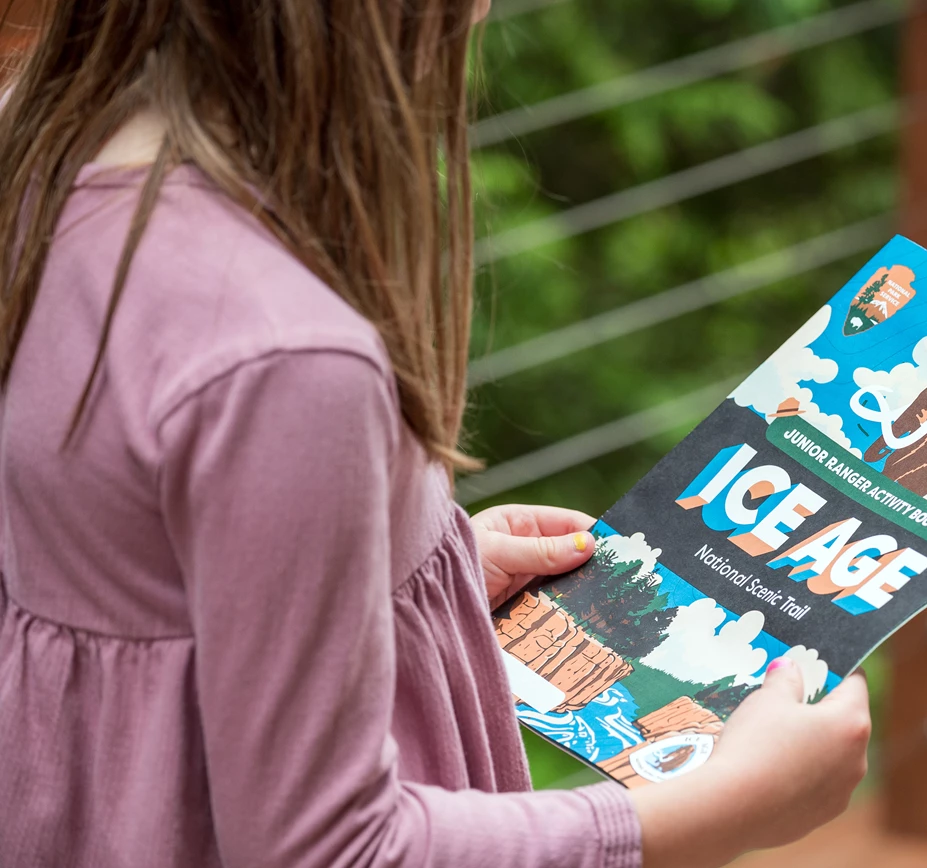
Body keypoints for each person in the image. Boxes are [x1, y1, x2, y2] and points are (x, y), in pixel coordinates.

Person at [0, 1, 873, 866]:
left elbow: (109, 567)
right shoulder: (284, 355)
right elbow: (334, 851)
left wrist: (405, 580)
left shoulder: (39, 169)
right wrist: (717, 810)